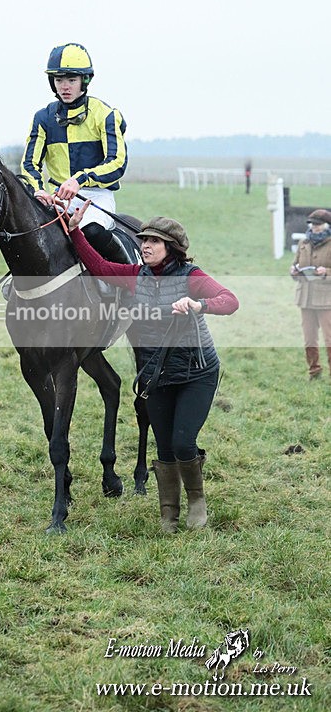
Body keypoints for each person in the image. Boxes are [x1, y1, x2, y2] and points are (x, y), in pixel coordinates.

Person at [67, 201, 239, 533]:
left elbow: (229, 300)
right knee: (163, 447)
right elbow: (100, 266)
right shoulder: (135, 276)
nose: (144, 245)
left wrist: (197, 303)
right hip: (155, 375)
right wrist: (75, 229)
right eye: (143, 239)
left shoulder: (191, 277)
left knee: (183, 443)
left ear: (171, 248)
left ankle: (198, 506)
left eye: (154, 241)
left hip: (196, 373)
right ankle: (168, 515)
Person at [21, 42, 130, 262]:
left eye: (71, 80)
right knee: (28, 237)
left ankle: (130, 278)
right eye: (59, 80)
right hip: (56, 199)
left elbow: (117, 162)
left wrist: (80, 180)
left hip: (96, 198)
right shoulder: (43, 118)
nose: (65, 86)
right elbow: (29, 165)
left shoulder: (106, 114)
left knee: (92, 232)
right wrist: (38, 191)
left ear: (84, 80)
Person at [290, 208, 331, 380]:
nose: (315, 227)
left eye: (318, 224)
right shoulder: (303, 243)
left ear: (327, 225)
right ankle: (314, 371)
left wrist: (326, 272)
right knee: (309, 340)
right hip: (305, 298)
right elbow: (295, 264)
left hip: (326, 300)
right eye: (312, 224)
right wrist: (294, 271)